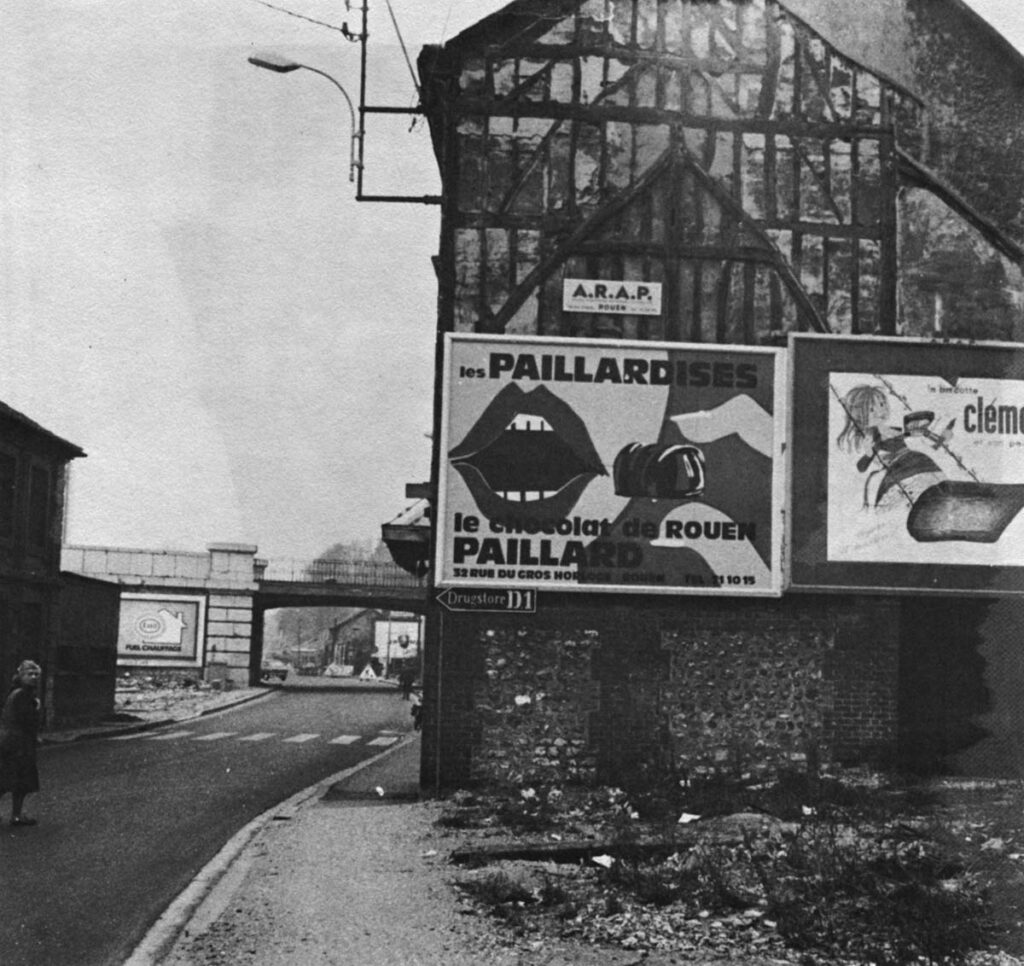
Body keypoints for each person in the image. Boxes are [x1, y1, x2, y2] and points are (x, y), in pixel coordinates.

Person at [0, 659, 43, 827]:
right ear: (21, 675)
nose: (33, 677)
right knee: (18, 779)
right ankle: (16, 816)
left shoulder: (18, 692)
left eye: (36, 674)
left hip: (10, 741)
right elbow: (26, 719)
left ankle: (16, 815)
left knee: (8, 779)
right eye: (29, 674)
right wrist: (36, 707)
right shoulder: (23, 694)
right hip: (18, 743)